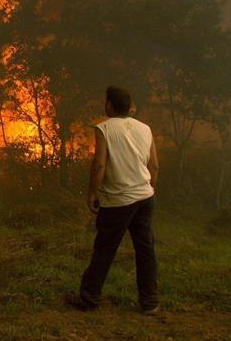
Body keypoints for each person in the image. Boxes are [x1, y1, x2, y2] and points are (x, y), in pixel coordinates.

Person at [73, 86, 159, 315]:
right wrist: (149, 189)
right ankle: (150, 302)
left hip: (118, 200)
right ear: (129, 107)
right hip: (145, 197)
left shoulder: (104, 128)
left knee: (104, 248)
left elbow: (99, 164)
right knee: (146, 249)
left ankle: (89, 298)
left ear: (109, 105)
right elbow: (154, 165)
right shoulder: (145, 128)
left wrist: (92, 193)